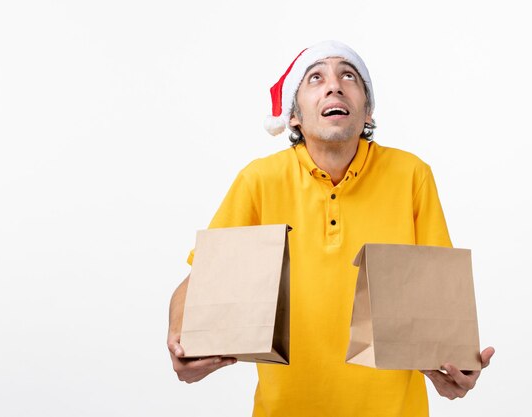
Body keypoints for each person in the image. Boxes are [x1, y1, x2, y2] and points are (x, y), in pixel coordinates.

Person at [167, 40, 494, 417]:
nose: (334, 85)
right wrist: (179, 337)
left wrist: (455, 367)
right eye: (316, 77)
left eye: (349, 75)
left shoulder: (412, 176)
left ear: (368, 112)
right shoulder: (259, 181)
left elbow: (440, 301)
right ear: (294, 116)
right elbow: (199, 282)